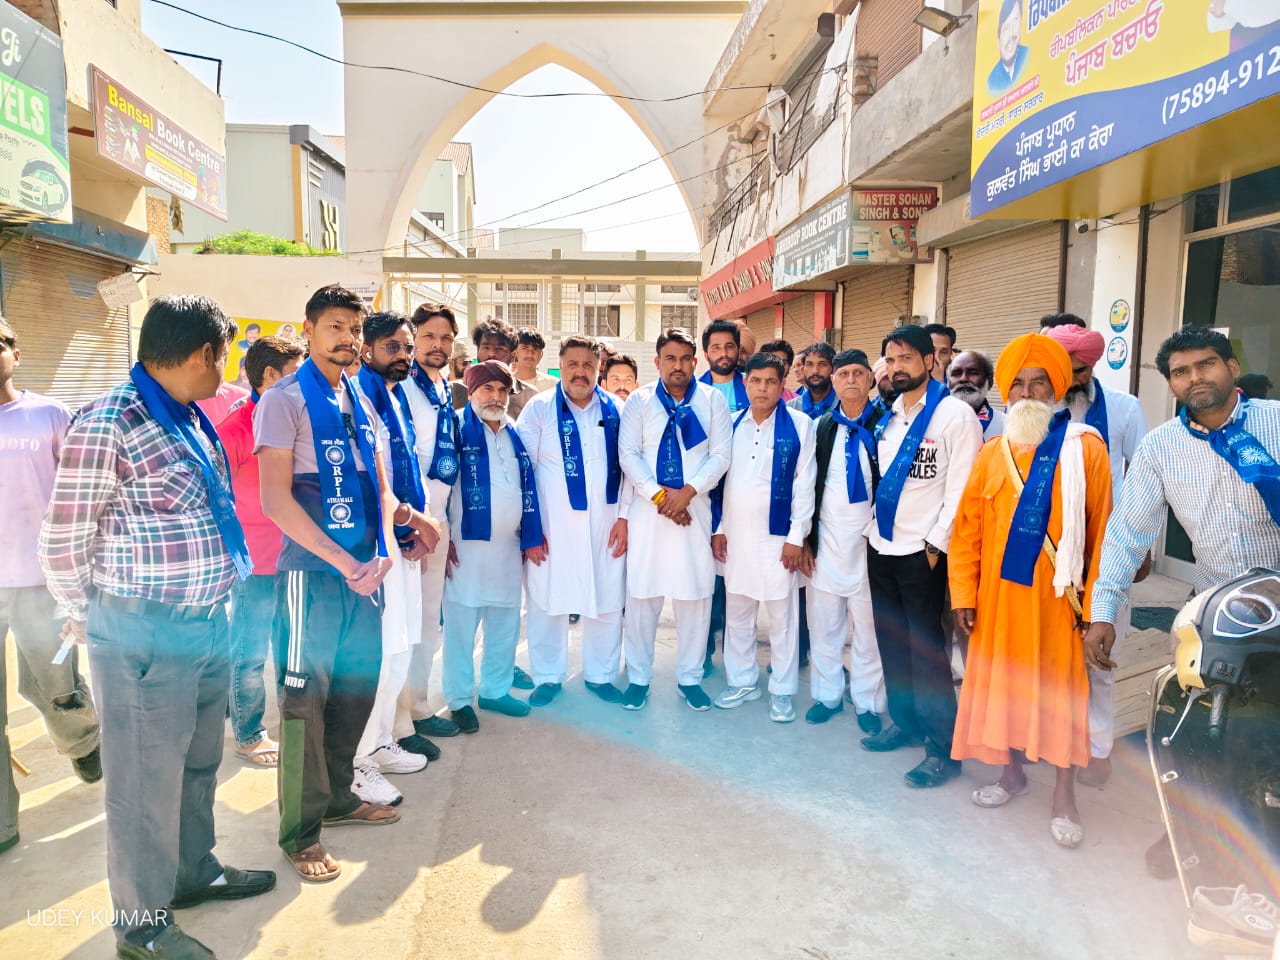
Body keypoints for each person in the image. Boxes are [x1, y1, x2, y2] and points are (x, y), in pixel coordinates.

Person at [38, 296, 275, 958]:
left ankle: (192, 872)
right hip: (142, 633)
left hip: (206, 622)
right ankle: (140, 930)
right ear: (204, 353)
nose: (225, 368)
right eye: (223, 355)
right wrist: (86, 614)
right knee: (144, 786)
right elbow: (62, 538)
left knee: (198, 762)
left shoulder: (187, 414)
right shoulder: (108, 422)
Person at [1084, 327, 1280, 877]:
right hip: (1215, 609)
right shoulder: (1161, 447)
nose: (1195, 378)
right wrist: (1102, 612)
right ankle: (1191, 834)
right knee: (1192, 730)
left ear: (1232, 368)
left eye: (1206, 364)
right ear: (1170, 383)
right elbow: (1127, 534)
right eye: (1180, 371)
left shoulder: (1276, 423)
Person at [256, 284, 405, 884]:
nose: (347, 337)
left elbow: (382, 488)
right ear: (309, 330)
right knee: (303, 705)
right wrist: (344, 562)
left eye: (354, 328)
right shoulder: (284, 400)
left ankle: (339, 798)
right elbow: (275, 500)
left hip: (364, 576)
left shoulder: (360, 400)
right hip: (311, 577)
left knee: (354, 691)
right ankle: (300, 833)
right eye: (335, 326)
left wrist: (386, 548)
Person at [950, 333, 1112, 849]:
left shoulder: (1086, 448)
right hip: (998, 604)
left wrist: (1099, 612)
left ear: (1056, 388)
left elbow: (1104, 536)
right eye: (1017, 383)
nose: (1026, 392)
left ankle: (1064, 795)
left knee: (1062, 697)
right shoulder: (991, 453)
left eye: (1038, 382)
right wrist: (962, 595)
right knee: (1006, 689)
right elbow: (967, 531)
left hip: (1060, 605)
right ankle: (1012, 774)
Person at [863, 323, 982, 788]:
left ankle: (942, 749)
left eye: (907, 358)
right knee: (892, 644)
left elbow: (961, 491)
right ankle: (907, 723)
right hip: (882, 545)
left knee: (928, 653)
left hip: (923, 554)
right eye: (891, 360)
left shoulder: (954, 416)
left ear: (930, 361)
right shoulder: (889, 415)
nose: (897, 368)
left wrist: (935, 546)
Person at [0, 319, 102, 860]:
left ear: (16, 354)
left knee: (52, 687)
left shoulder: (50, 415)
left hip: (42, 582)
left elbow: (82, 496)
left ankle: (83, 740)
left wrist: (83, 572)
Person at [1044, 318, 1149, 787]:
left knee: (1101, 655)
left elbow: (1145, 481)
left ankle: (1098, 747)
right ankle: (1049, 739)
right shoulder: (1035, 409)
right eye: (1064, 370)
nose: (1073, 379)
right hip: (1048, 549)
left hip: (1110, 548)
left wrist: (1143, 547)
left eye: (1081, 370)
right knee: (1049, 654)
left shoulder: (1125, 408)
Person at [352, 311, 447, 803]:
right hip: (381, 544)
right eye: (393, 346)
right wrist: (414, 522)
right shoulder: (360, 397)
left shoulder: (394, 396)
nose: (404, 355)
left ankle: (380, 742)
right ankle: (358, 762)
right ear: (366, 348)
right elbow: (371, 481)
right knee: (383, 654)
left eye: (407, 347)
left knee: (401, 649)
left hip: (404, 540)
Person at [618, 328, 732, 710]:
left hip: (694, 511)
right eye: (670, 358)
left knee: (695, 597)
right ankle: (638, 678)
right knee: (642, 597)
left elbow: (721, 455)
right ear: (657, 362)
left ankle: (690, 678)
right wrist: (660, 495)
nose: (678, 365)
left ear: (695, 362)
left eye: (685, 358)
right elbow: (628, 454)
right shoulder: (639, 401)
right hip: (649, 511)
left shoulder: (713, 400)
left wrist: (688, 492)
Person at [518, 335, 631, 706]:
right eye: (573, 364)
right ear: (560, 366)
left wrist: (625, 518)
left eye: (588, 365)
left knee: (607, 601)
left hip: (606, 526)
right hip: (554, 529)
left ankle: (601, 675)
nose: (580, 372)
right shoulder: (538, 409)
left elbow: (630, 470)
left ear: (599, 368)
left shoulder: (616, 409)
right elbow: (524, 472)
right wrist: (531, 530)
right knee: (547, 602)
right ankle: (548, 677)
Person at [215, 335, 305, 769]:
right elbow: (214, 498)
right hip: (255, 563)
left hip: (297, 556)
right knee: (249, 654)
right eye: (294, 375)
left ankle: (290, 719)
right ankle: (248, 734)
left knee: (290, 651)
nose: (302, 384)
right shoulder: (234, 429)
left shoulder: (297, 418)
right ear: (269, 376)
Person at [711, 353, 816, 722]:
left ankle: (782, 690)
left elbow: (805, 483)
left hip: (778, 540)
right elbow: (719, 483)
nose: (762, 388)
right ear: (745, 384)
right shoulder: (731, 424)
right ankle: (741, 681)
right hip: (737, 537)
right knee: (738, 614)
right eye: (755, 381)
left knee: (782, 619)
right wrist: (718, 529)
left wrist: (796, 536)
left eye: (771, 381)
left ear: (782, 385)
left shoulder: (801, 425)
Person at [443, 360, 541, 730]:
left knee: (504, 624)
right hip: (465, 550)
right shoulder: (454, 427)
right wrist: (442, 536)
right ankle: (459, 700)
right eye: (488, 389)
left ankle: (495, 691)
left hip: (507, 550)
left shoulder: (514, 432)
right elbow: (439, 487)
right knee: (460, 630)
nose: (496, 397)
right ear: (471, 392)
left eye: (502, 390)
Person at [803, 349, 887, 729]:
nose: (850, 380)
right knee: (825, 627)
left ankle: (868, 703)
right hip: (827, 545)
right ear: (833, 381)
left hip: (872, 548)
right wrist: (805, 539)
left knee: (869, 632)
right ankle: (827, 695)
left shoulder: (888, 425)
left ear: (870, 378)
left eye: (858, 373)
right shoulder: (820, 428)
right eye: (843, 374)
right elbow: (806, 487)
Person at [397, 304, 466, 749]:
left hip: (438, 522)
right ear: (413, 339)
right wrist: (412, 525)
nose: (437, 345)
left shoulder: (443, 389)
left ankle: (418, 707)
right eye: (428, 336)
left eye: (445, 338)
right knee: (404, 625)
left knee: (427, 623)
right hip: (410, 524)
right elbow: (399, 459)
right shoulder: (402, 387)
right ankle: (399, 723)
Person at [699, 320, 746, 672]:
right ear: (706, 353)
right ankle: (702, 652)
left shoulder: (754, 387)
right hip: (702, 496)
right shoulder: (694, 393)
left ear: (739, 350)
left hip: (741, 496)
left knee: (735, 581)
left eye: (729, 346)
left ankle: (736, 656)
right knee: (706, 580)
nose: (723, 353)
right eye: (716, 347)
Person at [469, 318, 535, 423]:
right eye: (486, 347)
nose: (491, 354)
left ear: (513, 355)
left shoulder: (529, 397)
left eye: (500, 349)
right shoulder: (457, 391)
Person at [948, 349, 1005, 439]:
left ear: (989, 382)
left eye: (973, 373)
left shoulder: (1006, 426)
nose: (963, 379)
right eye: (956, 373)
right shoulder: (934, 420)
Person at [987, 0, 1030, 96]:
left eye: (1015, 21)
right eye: (1006, 28)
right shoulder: (991, 82)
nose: (1011, 34)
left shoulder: (1031, 56)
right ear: (998, 40)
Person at [789, 343, 838, 419]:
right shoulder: (790, 409)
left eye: (822, 364)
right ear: (803, 369)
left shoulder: (845, 406)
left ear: (833, 368)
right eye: (809, 364)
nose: (815, 371)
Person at [514, 328, 559, 393]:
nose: (530, 354)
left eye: (535, 349)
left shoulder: (553, 385)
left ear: (541, 355)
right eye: (525, 348)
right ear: (515, 351)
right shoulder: (505, 384)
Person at [449, 339, 471, 410]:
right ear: (451, 363)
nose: (468, 367)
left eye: (470, 362)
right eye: (464, 363)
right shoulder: (442, 388)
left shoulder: (474, 389)